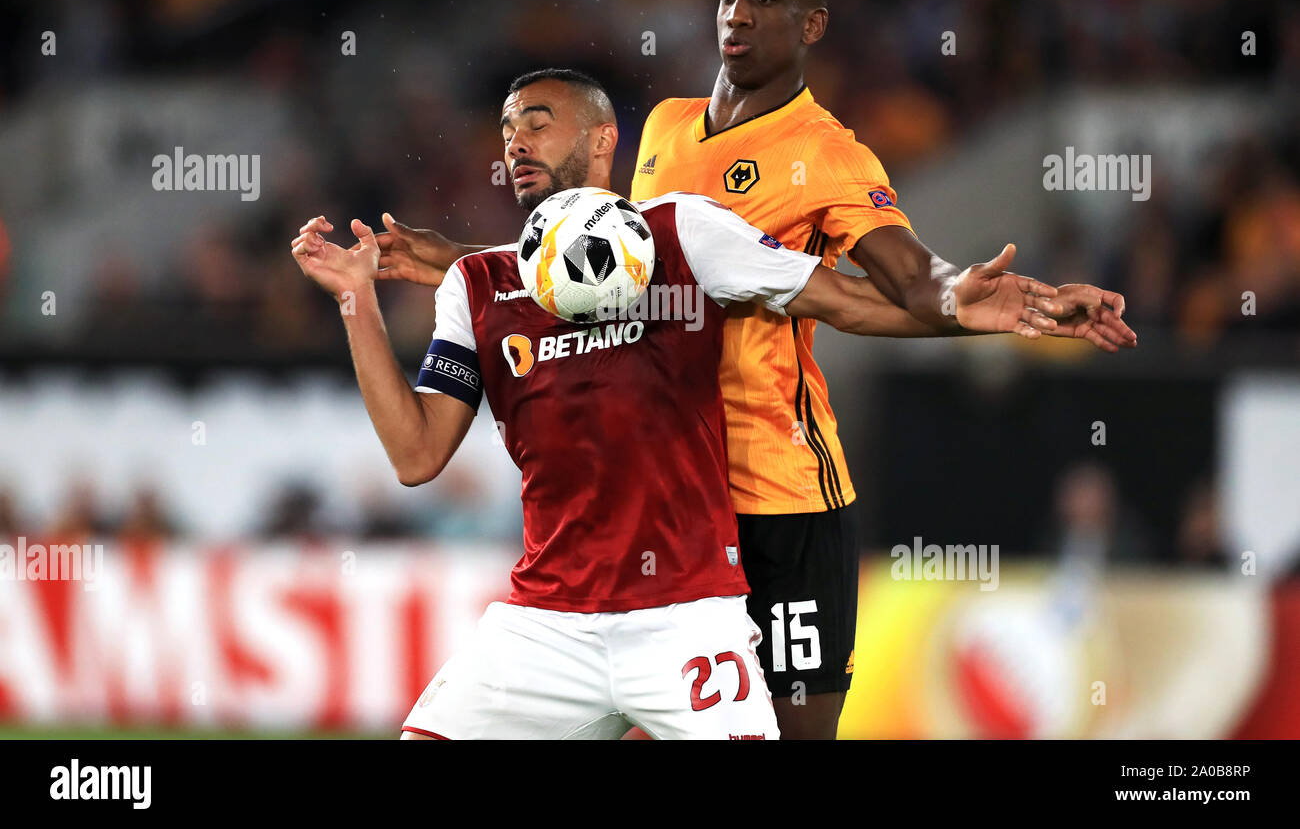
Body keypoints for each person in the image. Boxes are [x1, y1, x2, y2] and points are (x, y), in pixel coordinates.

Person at [291, 71, 1071, 740]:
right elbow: (416, 455)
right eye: (504, 128)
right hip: (547, 622)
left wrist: (962, 308)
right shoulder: (478, 286)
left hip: (688, 618)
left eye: (538, 121)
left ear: (602, 141)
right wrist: (357, 300)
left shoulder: (686, 233)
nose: (516, 141)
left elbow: (842, 301)